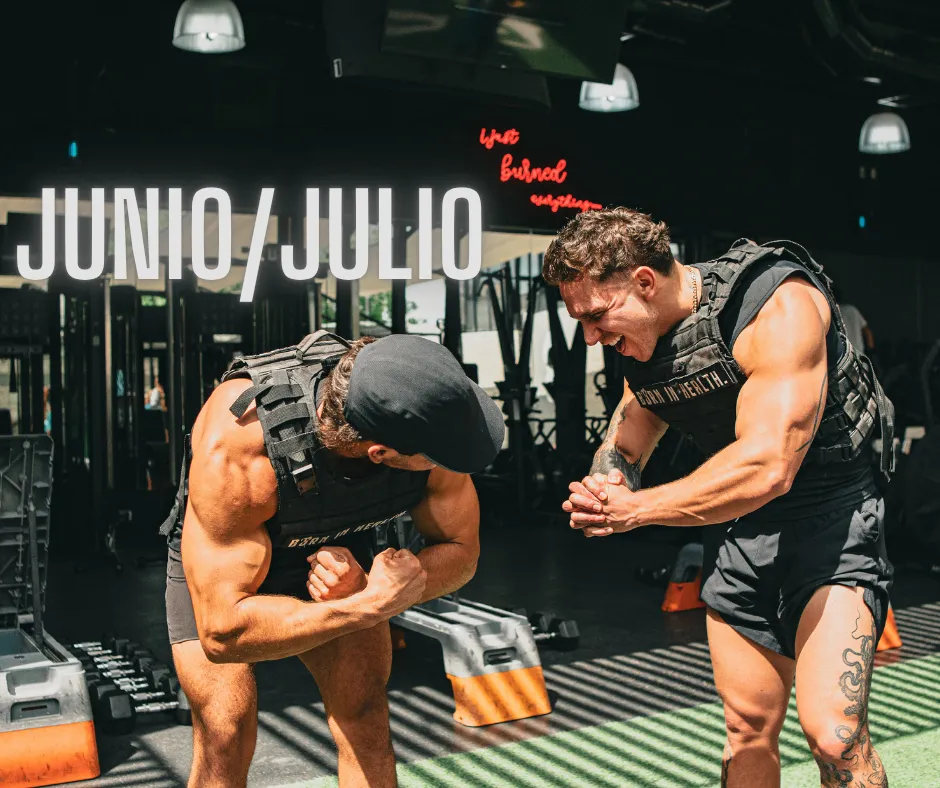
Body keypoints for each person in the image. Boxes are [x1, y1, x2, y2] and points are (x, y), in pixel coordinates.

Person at [543, 208, 895, 788]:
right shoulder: (647, 340)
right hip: (739, 528)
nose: (590, 336)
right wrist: (609, 482)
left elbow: (769, 466)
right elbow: (630, 431)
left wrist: (637, 510)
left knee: (835, 735)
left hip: (831, 523)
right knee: (746, 729)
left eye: (597, 315)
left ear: (645, 282)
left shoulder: (776, 305)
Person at [159, 331, 504, 788]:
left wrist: (389, 584)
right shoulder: (239, 450)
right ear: (381, 454)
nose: (450, 463)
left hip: (340, 557)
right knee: (226, 734)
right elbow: (224, 632)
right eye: (438, 458)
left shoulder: (420, 419)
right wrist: (365, 606)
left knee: (366, 716)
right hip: (224, 576)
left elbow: (462, 552)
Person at [831, 283, 876, 357]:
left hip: (843, 358)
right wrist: (871, 352)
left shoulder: (832, 314)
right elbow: (868, 333)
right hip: (859, 356)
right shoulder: (852, 309)